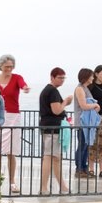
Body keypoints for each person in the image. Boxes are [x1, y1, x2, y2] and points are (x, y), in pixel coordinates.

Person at [0, 54, 30, 193]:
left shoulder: (17, 77)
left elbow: (22, 84)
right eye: (6, 66)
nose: (9, 69)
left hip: (13, 116)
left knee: (11, 152)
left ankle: (12, 182)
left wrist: (25, 88)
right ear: (0, 66)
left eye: (11, 66)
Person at [39, 67, 74, 195]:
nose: (62, 80)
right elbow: (56, 110)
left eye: (63, 78)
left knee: (55, 158)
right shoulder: (52, 91)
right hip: (52, 128)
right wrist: (65, 102)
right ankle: (44, 187)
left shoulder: (48, 91)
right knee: (49, 156)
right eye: (59, 77)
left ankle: (63, 186)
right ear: (52, 77)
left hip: (50, 127)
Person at [73, 68, 101, 178]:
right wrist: (95, 105)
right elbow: (83, 105)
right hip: (82, 122)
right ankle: (79, 169)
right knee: (82, 146)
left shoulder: (85, 88)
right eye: (91, 76)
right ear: (86, 76)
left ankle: (83, 168)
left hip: (87, 123)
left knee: (85, 146)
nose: (93, 78)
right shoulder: (80, 89)